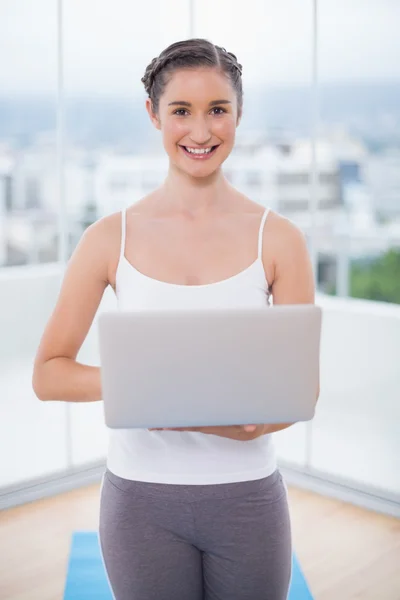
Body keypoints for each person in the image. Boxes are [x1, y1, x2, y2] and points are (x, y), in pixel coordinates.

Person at [32, 38, 318, 600]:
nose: (201, 131)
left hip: (248, 499)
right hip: (139, 503)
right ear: (153, 114)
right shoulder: (107, 239)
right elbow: (49, 373)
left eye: (218, 109)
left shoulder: (280, 240)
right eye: (181, 111)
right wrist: (148, 387)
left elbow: (299, 393)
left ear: (239, 112)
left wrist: (243, 418)